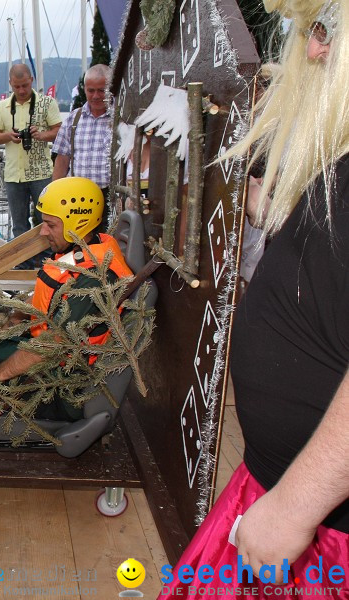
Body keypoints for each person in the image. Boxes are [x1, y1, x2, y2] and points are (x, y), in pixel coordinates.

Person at [159, 0, 349, 597]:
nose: (312, 51)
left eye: (324, 32)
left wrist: (294, 510)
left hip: (319, 525)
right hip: (276, 484)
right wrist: (256, 201)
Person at [0, 177, 133, 423]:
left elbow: (53, 344)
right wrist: (20, 314)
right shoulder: (85, 251)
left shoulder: (93, 279)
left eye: (50, 225)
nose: (43, 232)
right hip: (48, 363)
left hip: (60, 388)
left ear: (79, 222)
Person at [0, 64, 62, 239]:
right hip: (14, 175)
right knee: (19, 225)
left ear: (31, 80)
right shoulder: (2, 107)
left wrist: (41, 135)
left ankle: (46, 261)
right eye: (17, 86)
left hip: (41, 173)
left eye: (25, 85)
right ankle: (23, 264)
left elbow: (60, 132)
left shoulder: (47, 103)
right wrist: (9, 136)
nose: (21, 90)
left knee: (47, 222)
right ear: (10, 84)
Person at [52, 64, 113, 225]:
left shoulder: (120, 119)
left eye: (101, 90)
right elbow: (62, 159)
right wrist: (55, 194)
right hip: (77, 198)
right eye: (90, 90)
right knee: (77, 245)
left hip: (110, 198)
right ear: (84, 89)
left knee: (106, 244)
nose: (96, 96)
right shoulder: (73, 119)